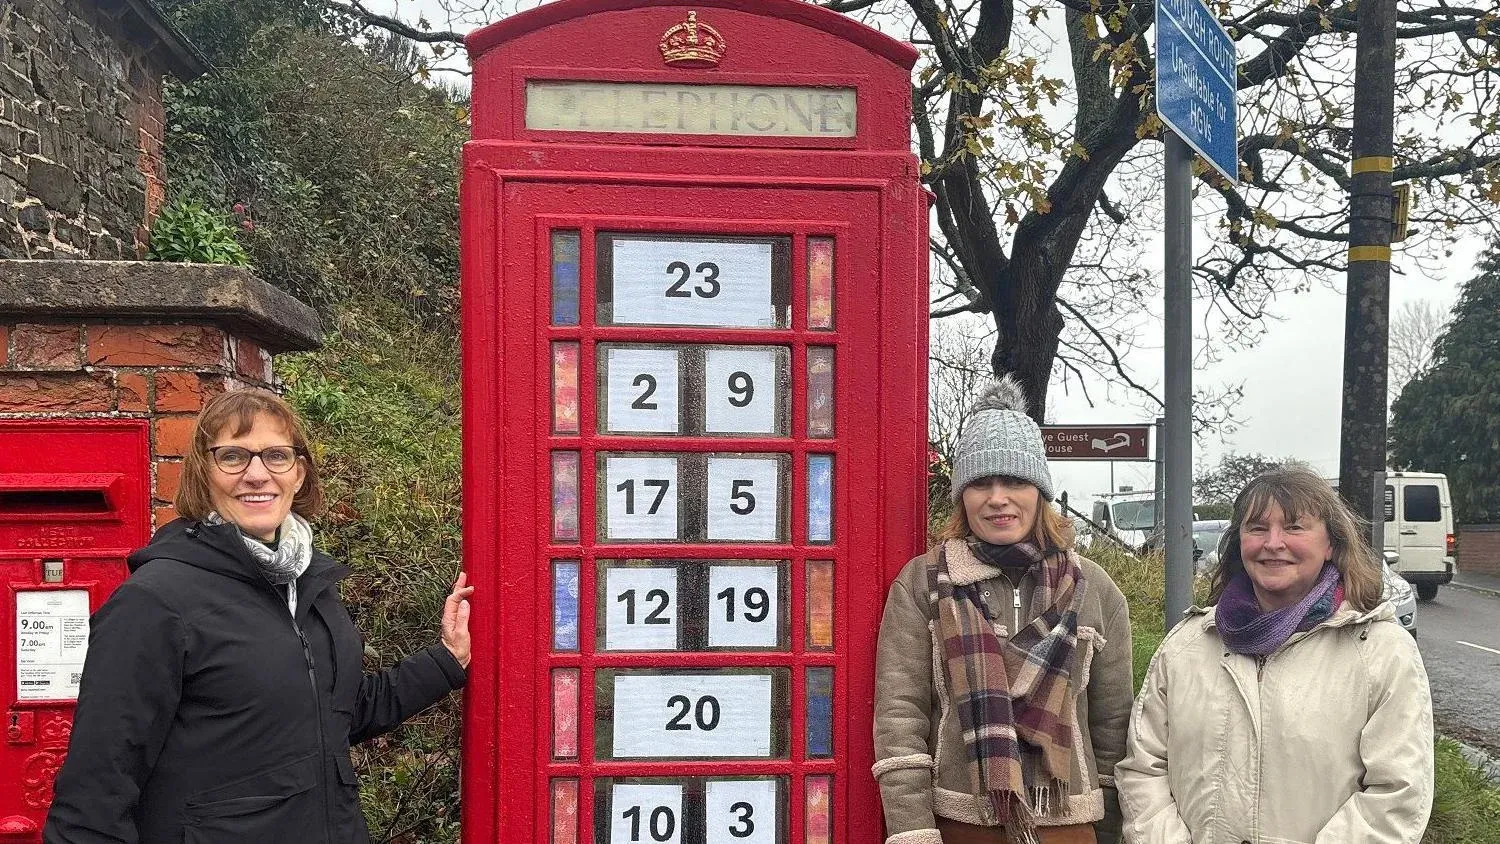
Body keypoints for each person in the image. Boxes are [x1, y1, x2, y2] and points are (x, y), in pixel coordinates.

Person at [44, 389, 474, 843]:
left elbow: (337, 712)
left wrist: (447, 659)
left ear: (299, 473)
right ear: (203, 474)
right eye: (232, 456)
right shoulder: (156, 601)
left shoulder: (306, 584)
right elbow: (96, 788)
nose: (256, 474)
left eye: (276, 455)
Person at [874, 377, 1134, 844]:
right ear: (962, 497)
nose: (998, 498)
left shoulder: (1095, 589)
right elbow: (900, 718)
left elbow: (1113, 724)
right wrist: (912, 831)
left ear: (1040, 492)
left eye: (1015, 481)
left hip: (1070, 824)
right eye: (980, 484)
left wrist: (1111, 829)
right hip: (961, 820)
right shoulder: (922, 583)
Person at [1116, 464, 1434, 842]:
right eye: (1258, 528)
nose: (1273, 542)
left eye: (1295, 527)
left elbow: (1397, 796)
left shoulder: (1381, 652)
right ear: (1240, 542)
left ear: (1331, 543)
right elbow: (1144, 769)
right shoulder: (1187, 645)